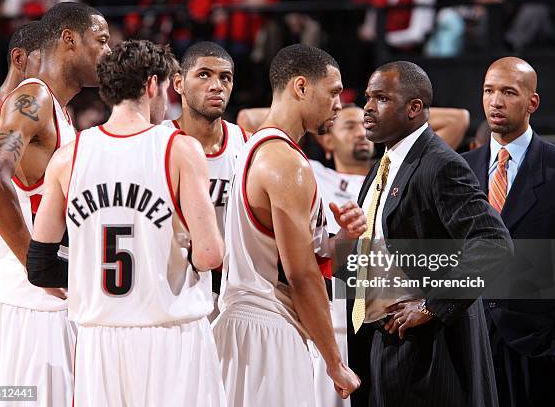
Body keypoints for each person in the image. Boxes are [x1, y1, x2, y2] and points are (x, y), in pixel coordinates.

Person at [25, 39, 225, 407]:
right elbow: (210, 255)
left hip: (99, 342)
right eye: (166, 89)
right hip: (170, 335)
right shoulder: (178, 148)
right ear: (152, 85)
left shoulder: (68, 157)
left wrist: (87, 273)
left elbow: (39, 267)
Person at [346, 61, 513, 407]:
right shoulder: (383, 165)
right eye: (367, 98)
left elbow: (493, 244)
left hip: (431, 350)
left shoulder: (440, 163)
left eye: (381, 98)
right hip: (384, 344)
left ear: (414, 107)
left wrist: (432, 305)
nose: (367, 108)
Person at [213, 44, 362, 406]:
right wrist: (334, 361)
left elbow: (290, 254)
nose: (339, 105)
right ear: (300, 87)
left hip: (243, 324)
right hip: (267, 329)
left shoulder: (253, 147)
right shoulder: (286, 163)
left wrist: (340, 239)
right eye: (333, 92)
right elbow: (301, 275)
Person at [0, 2, 110, 405]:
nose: (107, 52)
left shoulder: (60, 111)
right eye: (101, 41)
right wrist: (38, 267)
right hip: (29, 308)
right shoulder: (33, 96)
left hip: (41, 306)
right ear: (69, 39)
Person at [462, 56, 555, 407]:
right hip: (467, 345)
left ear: (532, 102)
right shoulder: (459, 169)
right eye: (488, 91)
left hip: (536, 352)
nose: (495, 101)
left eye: (508, 92)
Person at [0, 21, 40, 391]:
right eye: (44, 60)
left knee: (8, 393)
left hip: (7, 281)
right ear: (19, 58)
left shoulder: (54, 129)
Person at [161, 41, 247, 319]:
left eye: (225, 78)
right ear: (178, 83)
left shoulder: (245, 143)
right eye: (203, 75)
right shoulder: (157, 141)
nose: (216, 85)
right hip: (171, 288)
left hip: (231, 293)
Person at [237, 105, 470, 150]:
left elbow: (458, 119)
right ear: (327, 141)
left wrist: (389, 116)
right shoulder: (313, 173)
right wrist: (316, 117)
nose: (361, 132)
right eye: (349, 126)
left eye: (365, 124)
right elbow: (248, 119)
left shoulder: (396, 170)